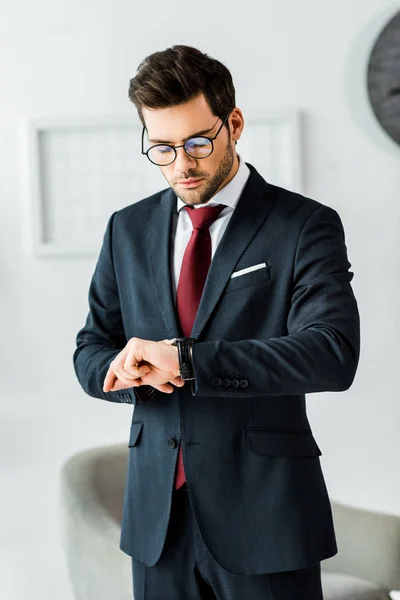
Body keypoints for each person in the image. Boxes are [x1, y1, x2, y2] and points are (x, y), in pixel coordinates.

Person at [73, 44, 360, 600]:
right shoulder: (125, 230)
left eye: (198, 142)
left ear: (234, 123)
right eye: (161, 148)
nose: (182, 163)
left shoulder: (303, 225)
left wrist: (184, 359)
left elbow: (331, 352)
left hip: (266, 517)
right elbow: (91, 349)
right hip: (158, 521)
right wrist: (122, 367)